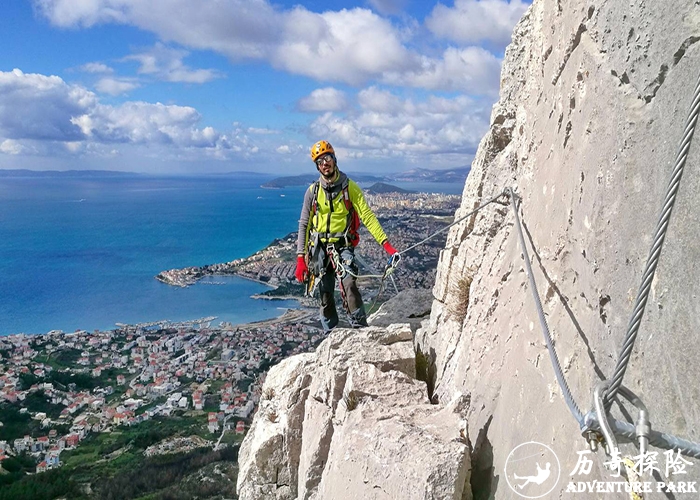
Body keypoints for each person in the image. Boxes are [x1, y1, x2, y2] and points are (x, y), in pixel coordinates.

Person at [295, 140, 397, 333]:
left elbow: (367, 216)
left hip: (343, 245)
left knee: (349, 283)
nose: (324, 163)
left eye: (327, 158)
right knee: (325, 292)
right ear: (317, 166)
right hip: (319, 248)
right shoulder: (312, 192)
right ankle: (330, 332)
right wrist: (301, 257)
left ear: (334, 159)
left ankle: (359, 327)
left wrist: (387, 246)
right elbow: (304, 224)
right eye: (319, 161)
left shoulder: (350, 188)